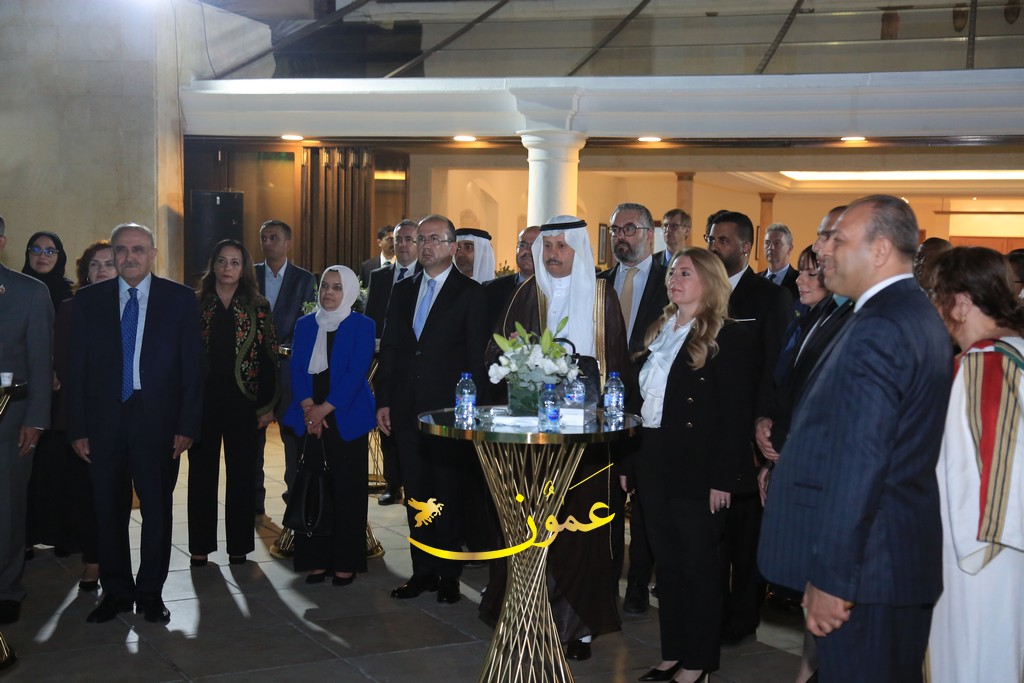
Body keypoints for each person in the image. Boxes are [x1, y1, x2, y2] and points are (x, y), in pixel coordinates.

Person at [758, 196, 953, 682]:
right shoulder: (902, 310)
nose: (823, 251)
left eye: (838, 240)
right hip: (886, 564)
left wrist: (832, 579)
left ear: (880, 250)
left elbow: (861, 464)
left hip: (868, 572)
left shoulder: (881, 325)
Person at [484, 215, 633, 661]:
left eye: (561, 247)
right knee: (532, 526)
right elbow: (496, 354)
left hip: (588, 442)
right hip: (535, 440)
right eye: (547, 246)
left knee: (580, 530)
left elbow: (619, 365)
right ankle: (530, 619)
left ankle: (578, 626)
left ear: (578, 250)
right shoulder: (526, 294)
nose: (552, 255)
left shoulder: (602, 297)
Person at [69, 222, 203, 624]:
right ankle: (116, 592)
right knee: (108, 509)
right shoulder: (88, 300)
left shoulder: (180, 299)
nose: (130, 257)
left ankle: (150, 592)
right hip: (103, 420)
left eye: (138, 249)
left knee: (156, 510)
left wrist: (187, 425)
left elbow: (193, 368)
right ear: (113, 253)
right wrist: (78, 428)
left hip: (158, 419)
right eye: (122, 250)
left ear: (153, 254)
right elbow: (76, 369)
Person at [634, 247, 755, 683]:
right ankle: (673, 653)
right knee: (667, 564)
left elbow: (734, 416)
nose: (674, 279)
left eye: (685, 273)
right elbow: (642, 404)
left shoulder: (729, 335)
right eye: (672, 272)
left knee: (699, 567)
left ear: (709, 280)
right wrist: (630, 462)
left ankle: (699, 662)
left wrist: (722, 478)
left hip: (699, 465)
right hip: (654, 456)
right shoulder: (660, 329)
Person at [923, 246, 1024, 683]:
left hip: (976, 555)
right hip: (999, 551)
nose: (933, 309)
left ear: (961, 303)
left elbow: (992, 469)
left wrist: (967, 551)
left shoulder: (986, 362)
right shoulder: (1013, 351)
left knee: (970, 666)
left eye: (936, 296)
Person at [375, 214, 488, 605]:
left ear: (452, 247)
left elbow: (476, 358)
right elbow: (391, 347)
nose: (425, 245)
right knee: (417, 492)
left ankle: (449, 575)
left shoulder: (470, 293)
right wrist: (384, 400)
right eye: (421, 239)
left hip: (448, 413)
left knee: (447, 492)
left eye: (434, 239)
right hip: (406, 408)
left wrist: (470, 410)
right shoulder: (403, 290)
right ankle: (422, 571)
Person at [706, 210, 792, 645]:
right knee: (713, 537)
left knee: (744, 536)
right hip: (710, 432)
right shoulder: (704, 291)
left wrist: (762, 431)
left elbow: (775, 369)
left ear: (745, 246)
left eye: (722, 240)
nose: (713, 246)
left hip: (747, 436)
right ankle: (711, 612)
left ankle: (741, 620)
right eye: (710, 238)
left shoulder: (768, 297)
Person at [283, 266, 376, 585]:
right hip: (310, 417)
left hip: (346, 416)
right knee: (312, 488)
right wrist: (309, 408)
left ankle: (345, 562)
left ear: (349, 292)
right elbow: (297, 369)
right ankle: (315, 560)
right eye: (324, 285)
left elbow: (356, 373)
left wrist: (323, 409)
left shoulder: (363, 325)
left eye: (337, 287)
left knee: (347, 492)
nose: (329, 292)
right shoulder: (305, 324)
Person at [188, 239, 278, 567]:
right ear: (213, 265)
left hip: (244, 403)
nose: (228, 268)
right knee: (201, 474)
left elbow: (269, 358)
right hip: (203, 403)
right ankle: (200, 546)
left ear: (244, 269)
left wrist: (267, 406)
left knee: (242, 475)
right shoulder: (196, 303)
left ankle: (238, 546)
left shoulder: (258, 305)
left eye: (235, 262)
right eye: (222, 261)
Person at [597, 202, 668, 615]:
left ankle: (638, 581)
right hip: (602, 408)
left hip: (648, 407)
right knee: (604, 494)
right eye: (615, 230)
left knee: (644, 501)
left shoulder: (669, 281)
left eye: (629, 229)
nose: (620, 237)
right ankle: (604, 579)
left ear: (648, 235)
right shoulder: (599, 283)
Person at [50, 241, 118, 592]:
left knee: (118, 496)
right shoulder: (71, 309)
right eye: (95, 264)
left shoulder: (134, 305)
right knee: (88, 495)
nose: (102, 270)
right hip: (85, 417)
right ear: (85, 272)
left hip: (126, 416)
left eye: (109, 263)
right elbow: (64, 365)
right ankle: (93, 562)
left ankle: (118, 563)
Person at [0, 216, 54, 625]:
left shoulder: (28, 292)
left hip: (9, 419)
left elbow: (40, 361)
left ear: (2, 242)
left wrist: (35, 420)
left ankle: (6, 588)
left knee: (6, 509)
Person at [253, 219, 316, 551]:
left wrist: (284, 349)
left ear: (288, 243)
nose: (268, 242)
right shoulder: (250, 275)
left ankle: (295, 501)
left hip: (290, 369)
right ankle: (254, 503)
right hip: (255, 370)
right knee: (253, 440)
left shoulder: (304, 279)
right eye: (264, 238)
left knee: (294, 439)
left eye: (274, 237)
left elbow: (308, 322)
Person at [364, 219, 420, 506]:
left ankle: (414, 483)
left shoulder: (426, 276)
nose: (402, 244)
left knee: (411, 426)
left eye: (409, 239)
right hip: (385, 360)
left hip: (413, 364)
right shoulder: (380, 276)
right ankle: (392, 483)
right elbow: (371, 315)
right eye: (399, 239)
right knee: (386, 421)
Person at [21, 231, 72, 312]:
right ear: (28, 254)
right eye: (36, 250)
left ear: (59, 257)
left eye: (50, 251)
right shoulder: (15, 288)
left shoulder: (69, 293)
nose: (42, 256)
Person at [759, 223, 800, 304]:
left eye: (777, 243)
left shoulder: (799, 281)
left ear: (790, 249)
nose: (771, 247)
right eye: (767, 243)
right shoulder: (755, 280)